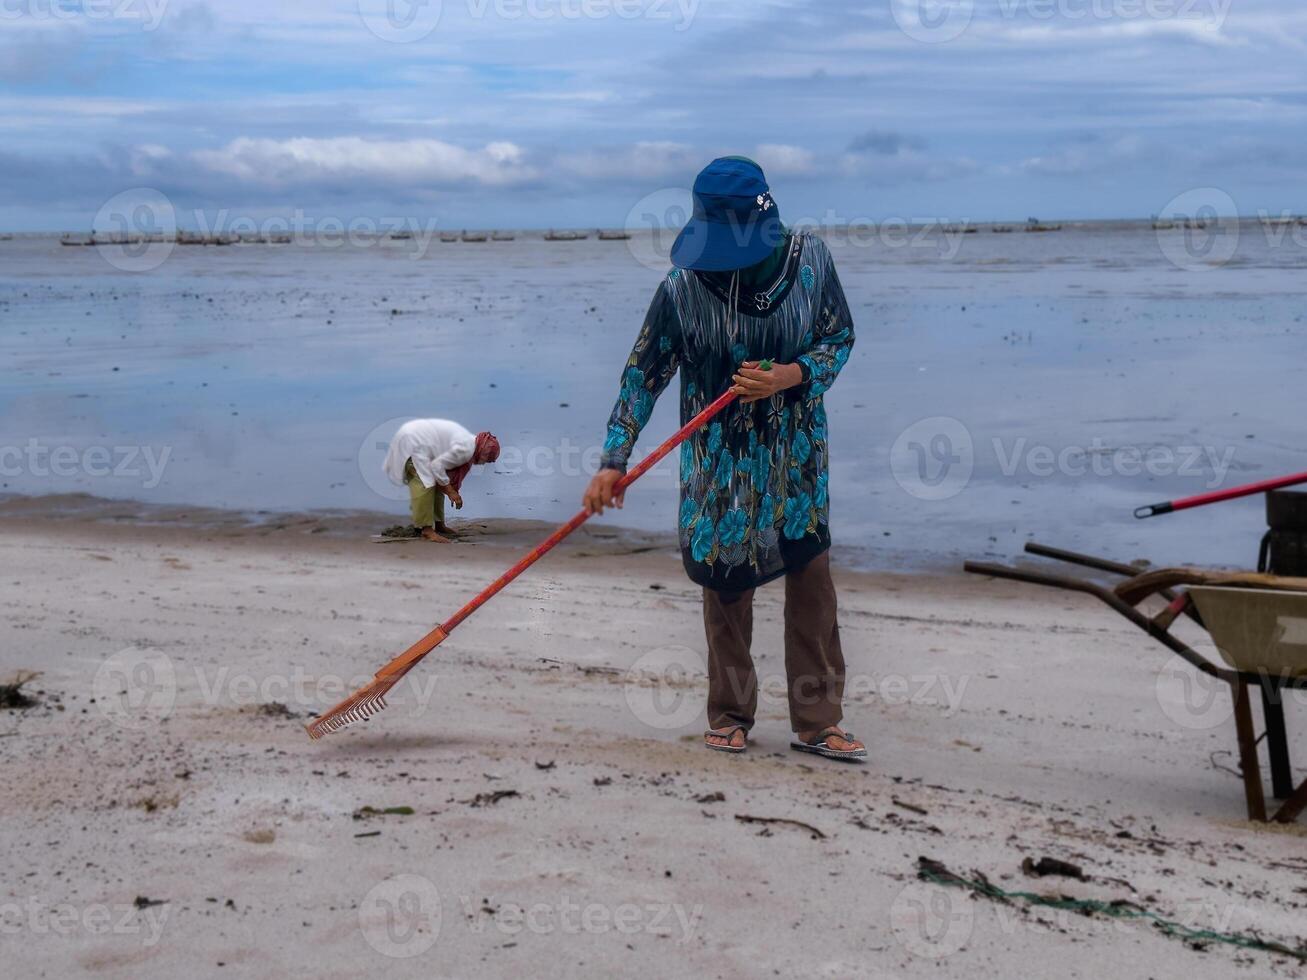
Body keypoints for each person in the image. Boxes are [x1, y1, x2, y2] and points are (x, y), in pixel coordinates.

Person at [583, 157, 864, 761]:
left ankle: (818, 721)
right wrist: (614, 459)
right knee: (726, 588)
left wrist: (791, 375)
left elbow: (838, 338)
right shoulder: (681, 291)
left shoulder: (811, 261)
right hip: (721, 475)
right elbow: (642, 375)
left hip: (796, 465)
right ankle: (731, 713)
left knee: (812, 588)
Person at [383, 419, 500, 542]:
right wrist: (451, 491)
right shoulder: (465, 450)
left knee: (439, 483)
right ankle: (426, 530)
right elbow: (436, 466)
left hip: (422, 445)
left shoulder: (471, 444)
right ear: (482, 452)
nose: (483, 464)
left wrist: (448, 488)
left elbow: (442, 471)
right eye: (486, 460)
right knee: (425, 482)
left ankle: (439, 525)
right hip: (412, 448)